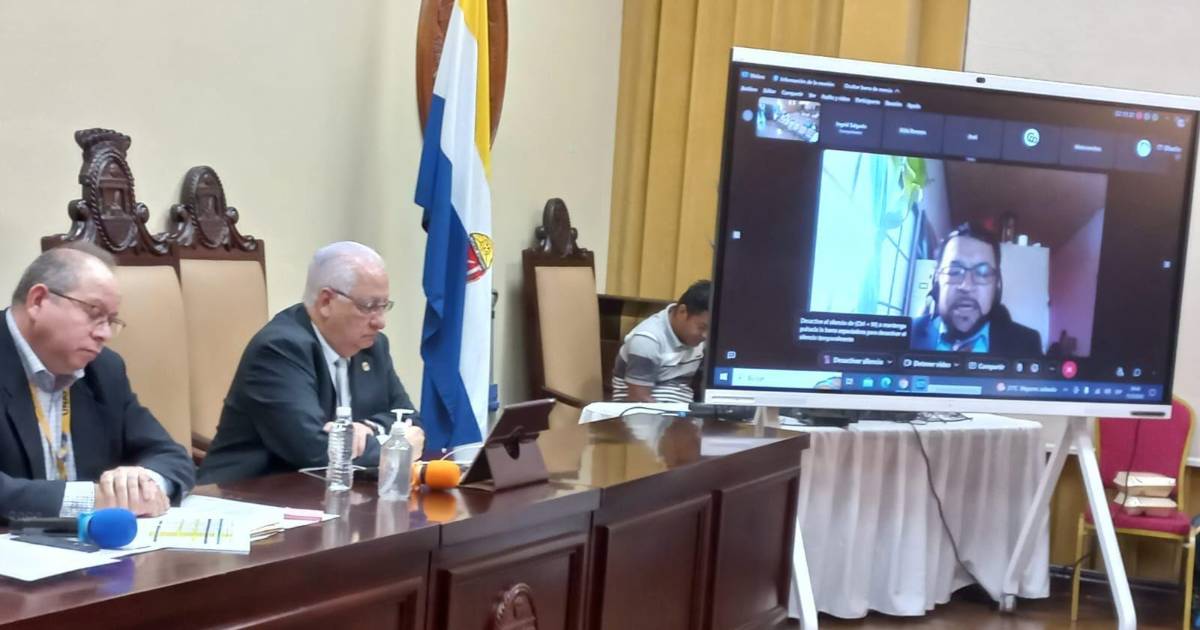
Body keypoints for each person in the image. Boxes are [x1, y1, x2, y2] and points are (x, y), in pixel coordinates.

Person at [198, 242, 424, 485]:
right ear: (326, 302)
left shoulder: (373, 347)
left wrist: (368, 427)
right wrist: (398, 449)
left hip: (329, 494)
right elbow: (313, 450)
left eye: (383, 306)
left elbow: (410, 419)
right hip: (245, 494)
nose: (380, 322)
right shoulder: (279, 349)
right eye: (368, 306)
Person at [0, 244, 194, 519]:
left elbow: (172, 456)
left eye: (111, 320)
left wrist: (142, 483)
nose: (105, 334)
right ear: (38, 301)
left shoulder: (104, 369)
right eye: (94, 313)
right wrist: (91, 499)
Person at [910, 223, 1042, 356]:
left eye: (982, 273)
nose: (966, 286)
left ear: (997, 285)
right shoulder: (908, 335)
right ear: (936, 279)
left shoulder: (1027, 344)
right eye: (954, 272)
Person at [612, 280, 710, 403]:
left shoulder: (697, 337)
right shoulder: (647, 340)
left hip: (682, 408)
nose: (706, 335)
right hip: (642, 411)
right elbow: (638, 399)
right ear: (682, 312)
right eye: (702, 327)